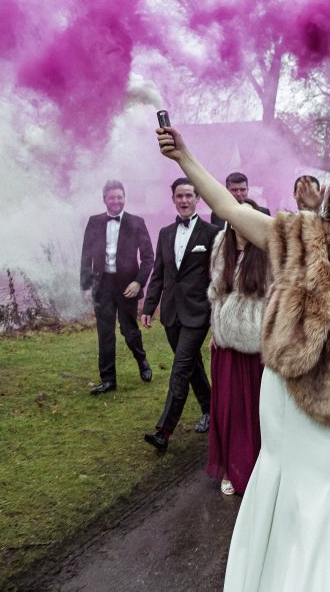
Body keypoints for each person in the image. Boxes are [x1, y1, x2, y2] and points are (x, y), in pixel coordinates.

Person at [154, 125, 330, 591]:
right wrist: (185, 158)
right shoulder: (297, 235)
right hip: (285, 393)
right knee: (283, 481)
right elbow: (229, 208)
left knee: (327, 489)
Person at [140, 177, 221, 451]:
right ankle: (211, 410)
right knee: (192, 364)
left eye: (189, 195)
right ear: (173, 199)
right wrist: (149, 307)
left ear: (197, 198)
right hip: (171, 313)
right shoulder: (164, 233)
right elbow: (159, 274)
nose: (184, 200)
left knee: (180, 368)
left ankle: (164, 430)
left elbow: (217, 277)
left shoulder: (211, 233)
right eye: (179, 196)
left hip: (199, 313)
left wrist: (217, 314)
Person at [205, 199, 271, 495]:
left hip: (258, 346)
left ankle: (259, 469)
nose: (240, 224)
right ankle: (232, 468)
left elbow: (277, 298)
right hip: (226, 345)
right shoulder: (221, 245)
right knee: (227, 410)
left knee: (257, 411)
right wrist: (213, 332)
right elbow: (216, 293)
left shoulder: (269, 249)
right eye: (235, 217)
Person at [79, 180, 154, 393]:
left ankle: (142, 361)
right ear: (105, 200)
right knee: (105, 333)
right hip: (102, 286)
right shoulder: (94, 222)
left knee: (129, 331)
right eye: (111, 197)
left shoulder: (136, 222)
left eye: (119, 197)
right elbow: (86, 256)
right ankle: (109, 380)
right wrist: (85, 286)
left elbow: (148, 258)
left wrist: (138, 282)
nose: (116, 201)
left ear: (124, 198)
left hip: (127, 286)